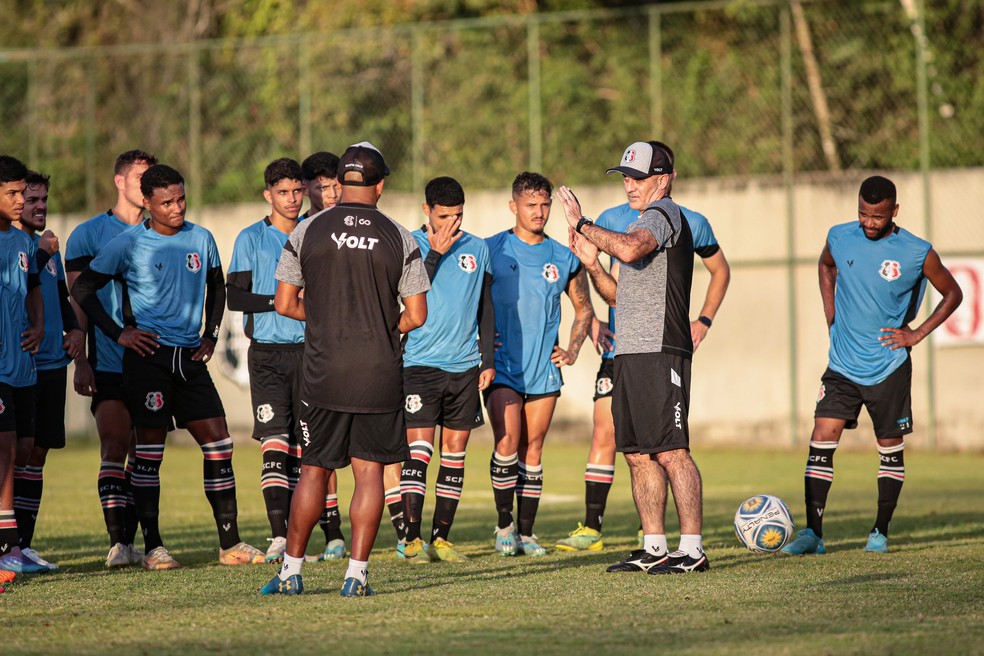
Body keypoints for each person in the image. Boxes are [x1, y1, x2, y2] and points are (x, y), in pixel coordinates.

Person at [73, 164, 264, 570]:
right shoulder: (127, 245)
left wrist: (210, 334)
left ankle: (230, 543)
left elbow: (217, 285)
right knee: (149, 453)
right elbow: (83, 288)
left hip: (190, 360)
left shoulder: (201, 237)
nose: (177, 208)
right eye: (167, 202)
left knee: (220, 443)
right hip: (148, 362)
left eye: (181, 199)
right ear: (147, 203)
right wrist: (119, 333)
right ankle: (154, 546)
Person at [261, 141, 429, 597]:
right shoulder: (401, 235)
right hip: (378, 371)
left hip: (323, 372)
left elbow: (283, 303)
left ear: (340, 183)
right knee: (370, 473)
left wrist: (328, 320)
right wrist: (374, 325)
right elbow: (416, 315)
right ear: (379, 185)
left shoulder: (306, 232)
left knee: (314, 470)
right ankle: (356, 576)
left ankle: (291, 572)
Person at [556, 141, 731, 553]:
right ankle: (654, 547)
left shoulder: (663, 214)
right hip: (629, 352)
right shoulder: (640, 219)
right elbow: (617, 297)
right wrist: (593, 264)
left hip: (660, 349)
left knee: (672, 452)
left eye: (638, 177)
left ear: (664, 179)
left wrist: (582, 224)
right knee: (637, 454)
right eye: (625, 177)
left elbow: (631, 247)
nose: (630, 185)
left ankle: (691, 550)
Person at [782, 175, 962, 556]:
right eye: (863, 213)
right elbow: (825, 266)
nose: (868, 222)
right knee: (822, 434)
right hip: (842, 363)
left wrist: (917, 334)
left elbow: (953, 292)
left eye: (877, 217)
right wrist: (831, 315)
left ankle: (880, 531)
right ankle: (814, 534)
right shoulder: (839, 235)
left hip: (888, 366)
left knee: (889, 446)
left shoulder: (917, 251)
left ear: (894, 212)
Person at [227, 158, 347, 564]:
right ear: (268, 195)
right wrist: (281, 304)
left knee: (309, 450)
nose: (293, 199)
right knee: (275, 443)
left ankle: (328, 534)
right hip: (268, 356)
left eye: (298, 191)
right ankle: (279, 537)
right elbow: (234, 296)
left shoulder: (319, 233)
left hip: (312, 354)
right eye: (284, 192)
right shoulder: (250, 238)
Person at [484, 172, 594, 557]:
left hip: (544, 369)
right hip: (502, 367)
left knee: (534, 450)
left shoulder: (563, 258)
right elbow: (469, 300)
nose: (539, 212)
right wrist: (479, 345)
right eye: (531, 205)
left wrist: (574, 349)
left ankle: (527, 533)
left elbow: (584, 310)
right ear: (513, 206)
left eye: (545, 204)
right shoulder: (491, 249)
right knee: (508, 440)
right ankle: (504, 526)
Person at [388, 176, 495, 563]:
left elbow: (486, 306)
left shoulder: (478, 248)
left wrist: (488, 361)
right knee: (419, 452)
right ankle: (411, 540)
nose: (451, 224)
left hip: (465, 368)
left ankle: (441, 539)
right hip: (418, 364)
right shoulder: (409, 245)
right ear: (426, 211)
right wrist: (433, 254)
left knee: (455, 454)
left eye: (458, 216)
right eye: (443, 216)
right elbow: (408, 299)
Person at [65, 149, 157, 568]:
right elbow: (78, 300)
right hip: (108, 359)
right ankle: (118, 543)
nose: (146, 185)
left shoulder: (165, 232)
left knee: (146, 453)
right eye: (140, 177)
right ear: (120, 181)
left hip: (154, 360)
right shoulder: (88, 234)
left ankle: (140, 541)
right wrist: (80, 356)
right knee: (115, 443)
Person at [12, 171, 84, 572]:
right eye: (31, 200)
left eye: (43, 199)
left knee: (37, 454)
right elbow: (21, 286)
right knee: (17, 452)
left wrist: (74, 330)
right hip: (23, 364)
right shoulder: (18, 245)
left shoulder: (48, 247)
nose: (39, 206)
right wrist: (40, 253)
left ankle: (22, 545)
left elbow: (60, 295)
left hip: (54, 363)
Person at [0, 155, 47, 586]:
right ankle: (6, 545)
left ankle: (12, 545)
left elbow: (33, 288)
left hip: (22, 366)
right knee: (6, 447)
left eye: (22, 192)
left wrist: (39, 324)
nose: (21, 200)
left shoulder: (23, 244)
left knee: (24, 447)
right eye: (12, 193)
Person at [298, 151, 341, 221]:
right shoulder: (298, 230)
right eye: (323, 188)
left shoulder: (355, 224)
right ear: (305, 189)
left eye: (337, 186)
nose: (333, 195)